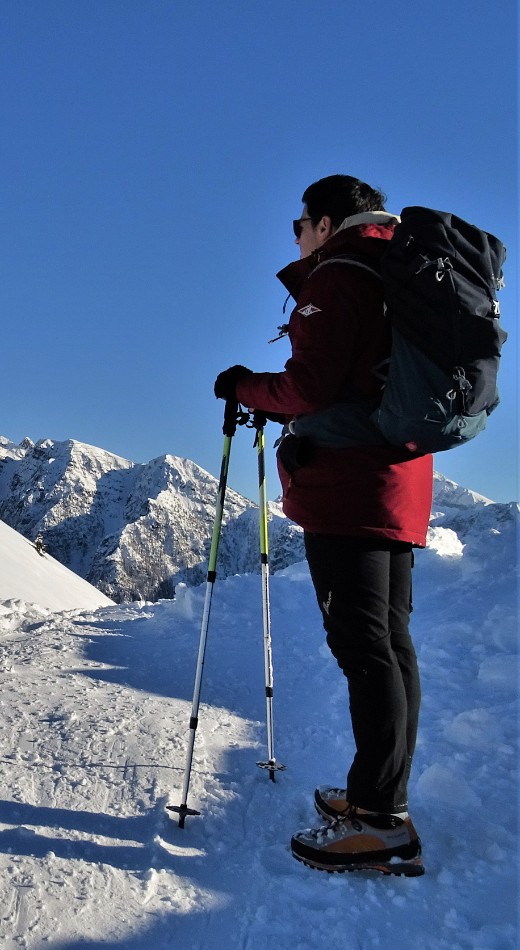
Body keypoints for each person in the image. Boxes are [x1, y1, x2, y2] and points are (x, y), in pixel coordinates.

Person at [214, 174, 433, 877]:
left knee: (367, 650)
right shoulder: (392, 266)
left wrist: (244, 385)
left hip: (349, 488)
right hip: (396, 480)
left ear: (326, 220)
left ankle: (381, 824)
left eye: (299, 224)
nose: (296, 235)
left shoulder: (340, 273)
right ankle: (379, 795)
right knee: (389, 646)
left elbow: (310, 386)